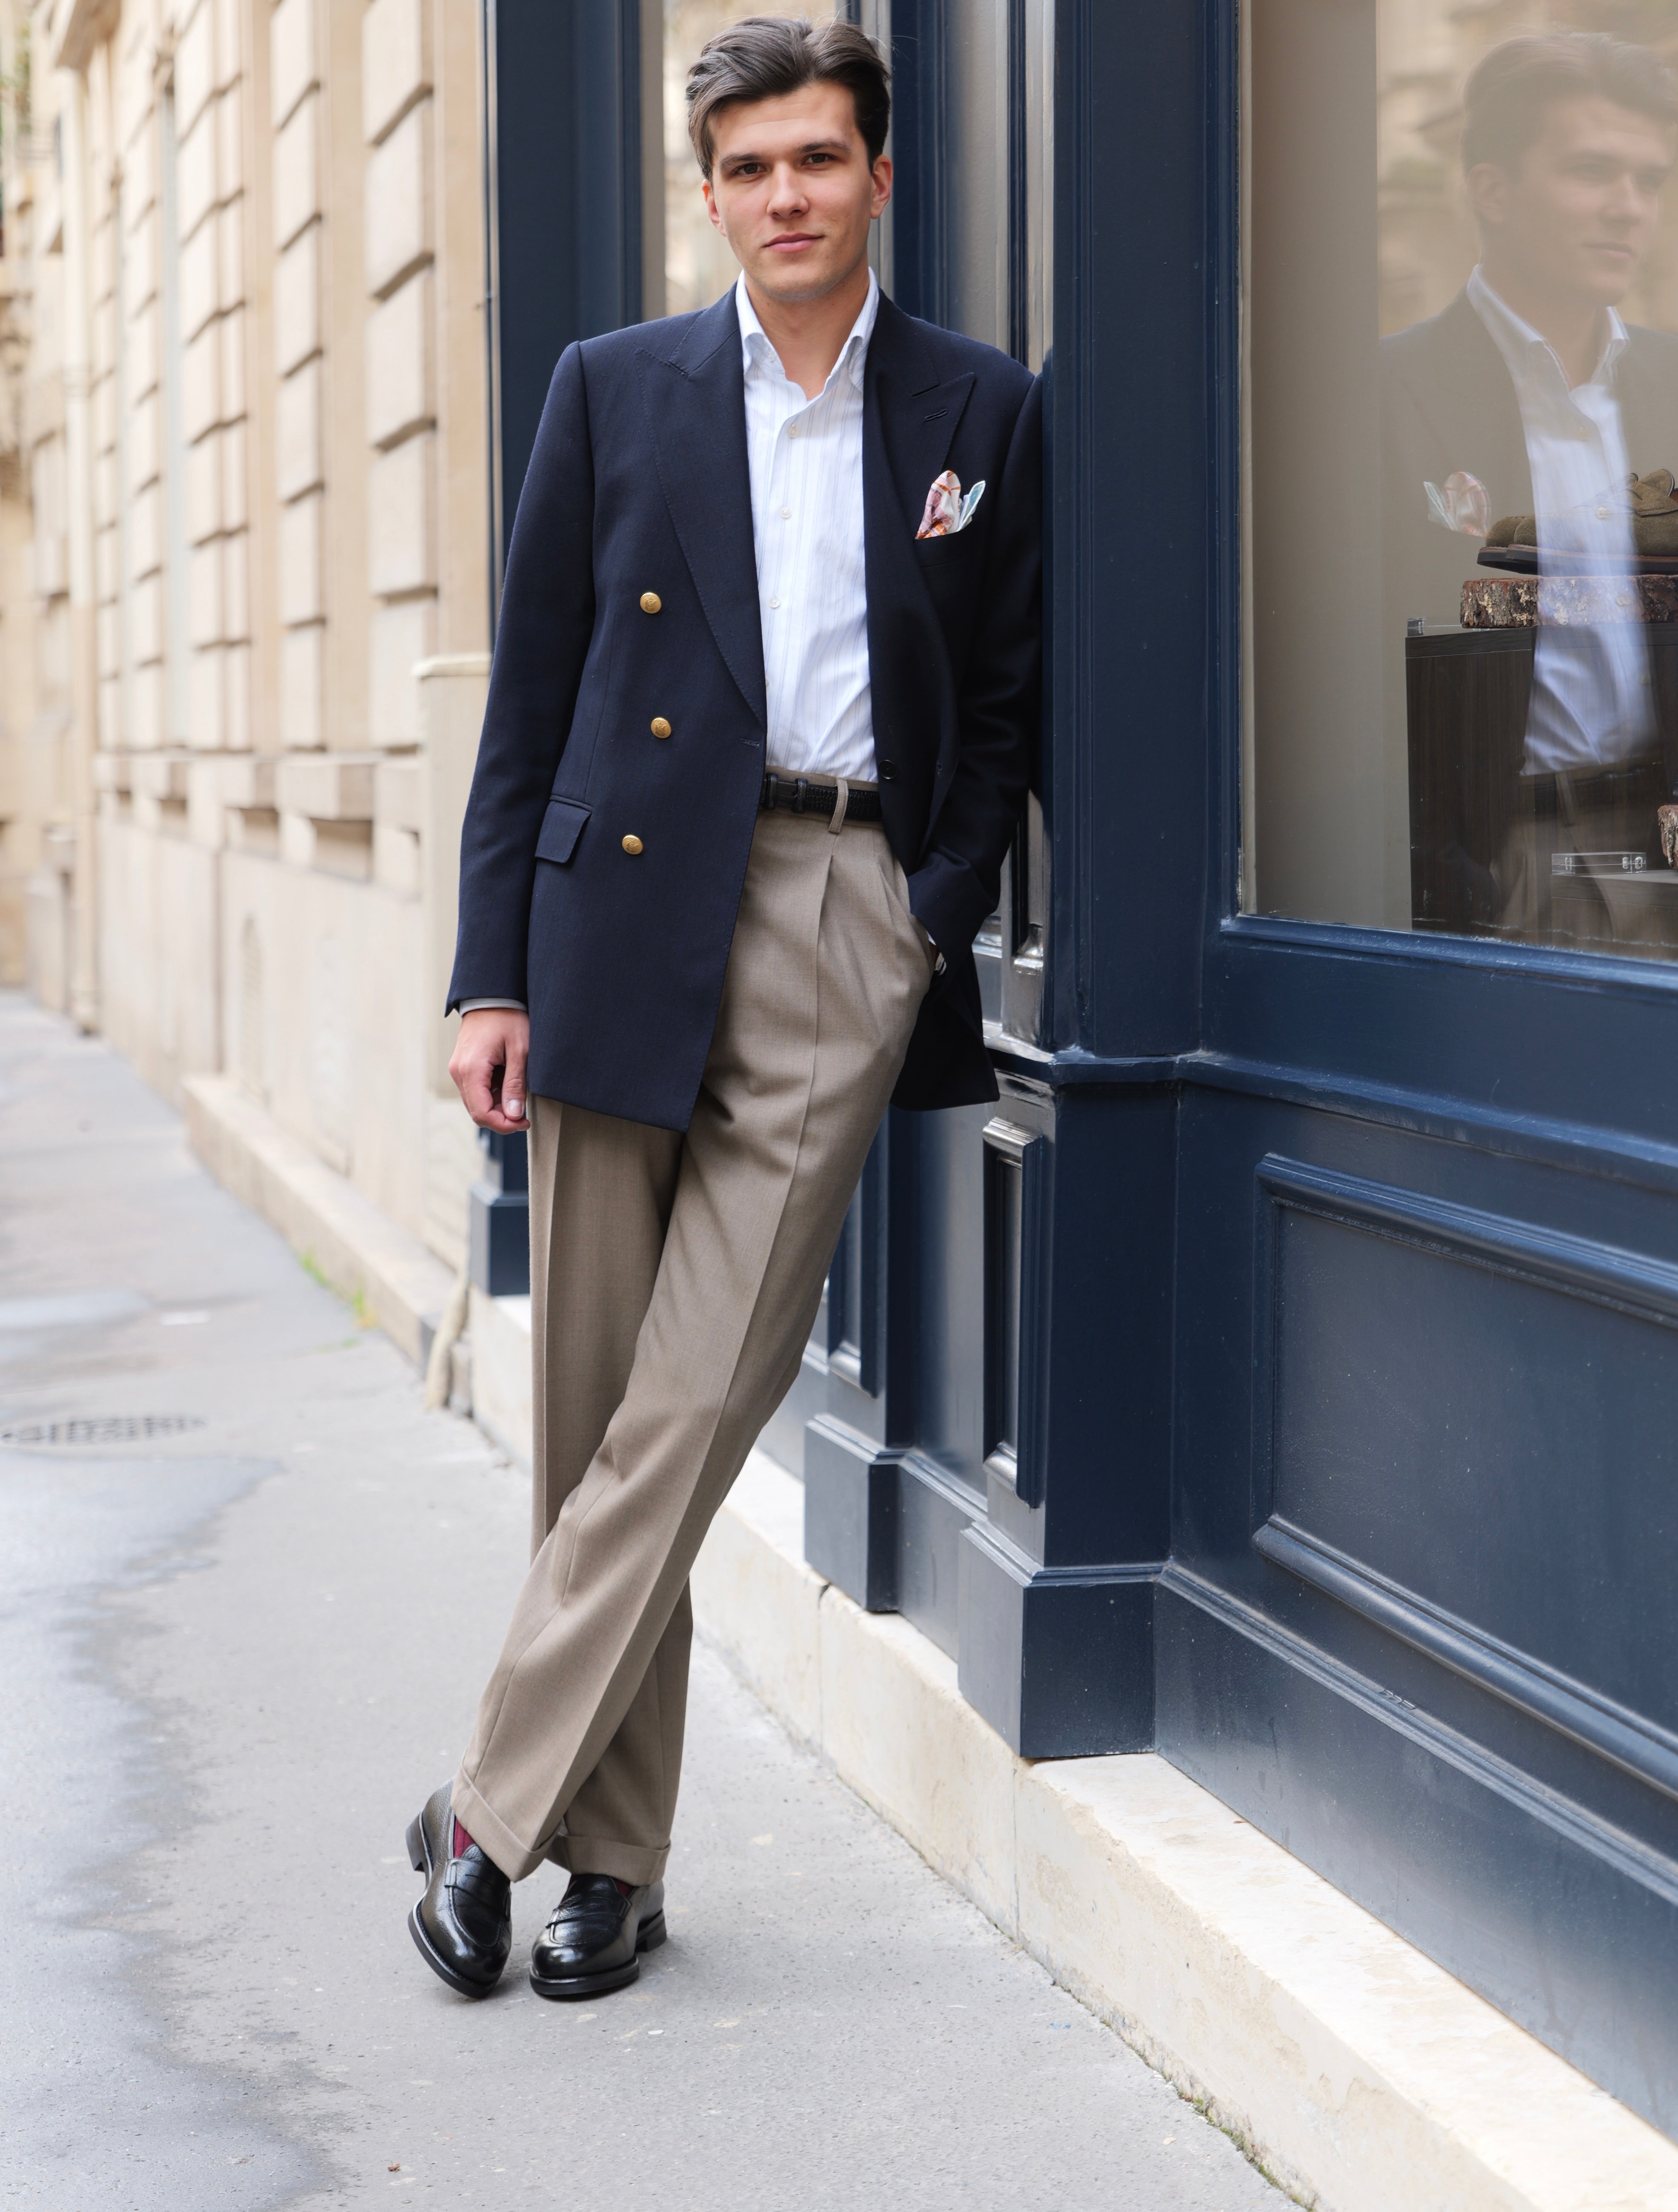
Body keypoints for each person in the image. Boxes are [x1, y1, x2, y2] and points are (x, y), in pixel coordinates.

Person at [405, 16, 1040, 2003]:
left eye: (818, 161)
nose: (785, 196)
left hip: (839, 912)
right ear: (708, 193)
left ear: (876, 177)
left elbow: (1005, 701)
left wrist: (924, 917)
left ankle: (477, 1813)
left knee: (694, 1397)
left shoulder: (973, 406)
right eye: (749, 167)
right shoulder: (614, 390)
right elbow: (528, 701)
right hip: (612, 914)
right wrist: (485, 967)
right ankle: (610, 1862)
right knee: (598, 1413)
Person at [1381, 31, 1678, 940]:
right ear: (1490, 190)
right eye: (1592, 170)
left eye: (1648, 179)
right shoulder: (1381, 390)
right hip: (1493, 852)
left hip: (1669, 847)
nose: (1627, 208)